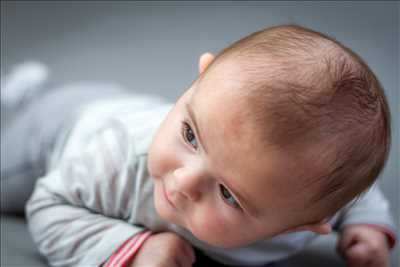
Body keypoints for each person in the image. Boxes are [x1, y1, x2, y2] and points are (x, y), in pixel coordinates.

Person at [1, 24, 396, 267]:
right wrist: (129, 249)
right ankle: (25, 91)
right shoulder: (115, 162)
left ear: (303, 225)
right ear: (201, 77)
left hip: (125, 107)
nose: (184, 181)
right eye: (191, 135)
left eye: (228, 194)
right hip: (62, 126)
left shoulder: (307, 185)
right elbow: (47, 205)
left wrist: (369, 227)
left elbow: (356, 192)